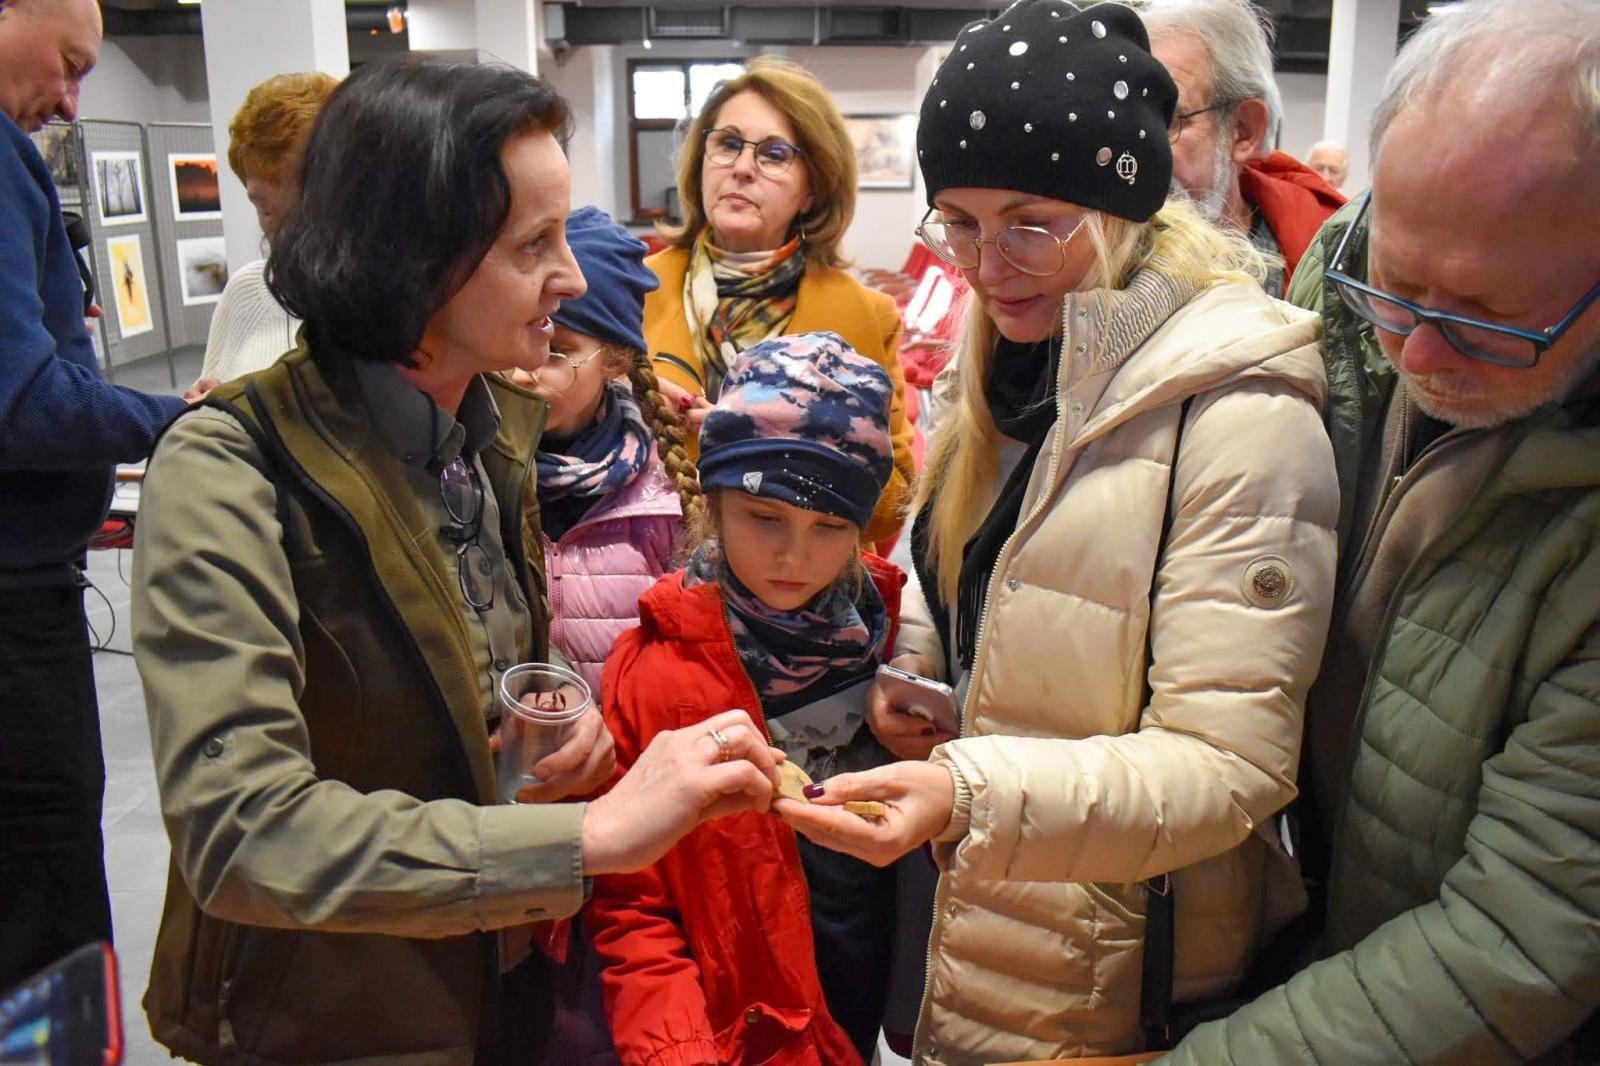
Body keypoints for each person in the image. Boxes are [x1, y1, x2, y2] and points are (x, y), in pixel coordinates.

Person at [130, 58, 782, 1066]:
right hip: (325, 1022)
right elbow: (241, 829)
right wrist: (588, 839)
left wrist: (573, 736)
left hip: (494, 990)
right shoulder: (227, 468)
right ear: (415, 262)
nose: (569, 278)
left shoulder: (492, 435)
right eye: (534, 244)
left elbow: (457, 683)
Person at [777, 3, 1340, 1062]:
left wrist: (967, 788)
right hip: (982, 910)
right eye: (959, 222)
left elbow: (1230, 765)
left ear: (1120, 202)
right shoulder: (992, 364)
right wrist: (915, 667)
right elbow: (970, 577)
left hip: (1117, 964)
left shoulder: (1239, 407)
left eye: (1032, 219)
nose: (990, 263)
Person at [1159, 1, 1600, 1061]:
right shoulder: (1341, 285)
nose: (1423, 353)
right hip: (1291, 942)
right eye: (1398, 287)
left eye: (1489, 319)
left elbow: (1520, 938)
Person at [588, 331, 906, 1065]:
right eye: (766, 519)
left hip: (861, 1018)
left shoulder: (895, 647)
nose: (794, 556)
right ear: (716, 499)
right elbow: (632, 905)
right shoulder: (657, 670)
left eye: (830, 527)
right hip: (731, 1035)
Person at [0, 0, 191, 991]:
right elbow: (20, 401)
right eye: (68, 62)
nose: (71, 99)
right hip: (14, 600)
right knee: (44, 899)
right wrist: (173, 419)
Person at [642, 56, 916, 545]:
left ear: (812, 189)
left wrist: (789, 431)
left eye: (773, 154)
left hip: (800, 595)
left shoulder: (865, 318)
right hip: (640, 588)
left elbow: (891, 508)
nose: (743, 168)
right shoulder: (629, 292)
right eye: (727, 144)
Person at [512, 206, 700, 699]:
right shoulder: (475, 476)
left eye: (557, 351)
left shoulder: (661, 496)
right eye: (517, 337)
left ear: (614, 361)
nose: (525, 368)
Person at [1140, 0, 1344, 297]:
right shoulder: (1077, 253)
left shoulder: (1331, 265)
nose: (1135, 149)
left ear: (1243, 131)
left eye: (1168, 120)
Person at [199, 71, 339, 383]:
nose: (290, 236)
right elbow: (208, 395)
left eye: (306, 205)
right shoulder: (248, 290)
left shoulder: (397, 303)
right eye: (264, 207)